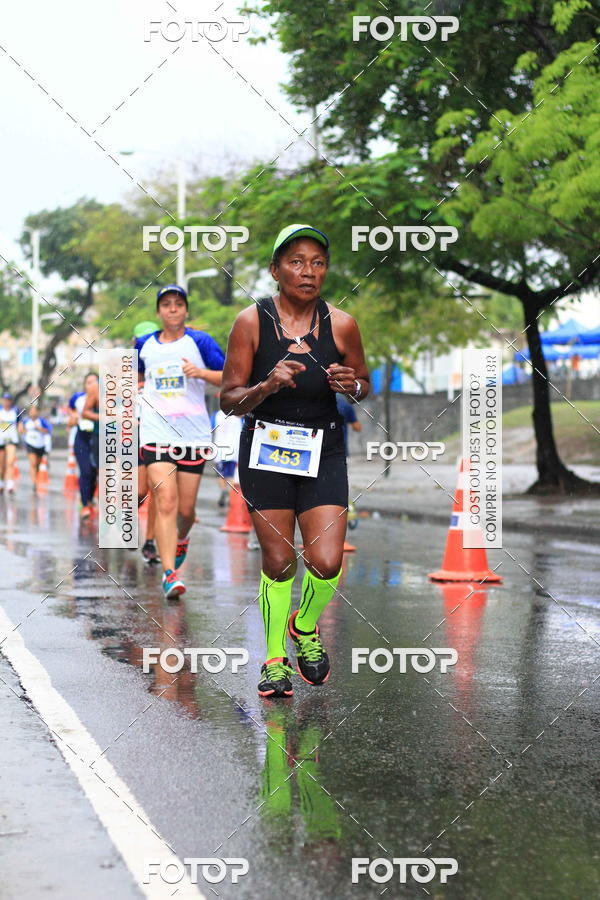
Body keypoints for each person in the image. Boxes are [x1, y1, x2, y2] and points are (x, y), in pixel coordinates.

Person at [220, 224, 370, 698]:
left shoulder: (342, 324)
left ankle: (304, 625)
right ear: (275, 269)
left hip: (323, 448)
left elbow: (364, 383)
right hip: (266, 448)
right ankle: (273, 660)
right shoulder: (251, 322)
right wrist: (265, 386)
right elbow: (228, 399)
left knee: (326, 561)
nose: (309, 271)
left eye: (318, 262)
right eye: (297, 261)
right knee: (280, 560)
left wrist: (353, 385)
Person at [134, 285, 225, 598]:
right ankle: (169, 572)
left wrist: (200, 373)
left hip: (193, 435)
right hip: (156, 434)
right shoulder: (144, 345)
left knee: (186, 510)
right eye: (166, 305)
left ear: (186, 310)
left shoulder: (200, 342)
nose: (172, 309)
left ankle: (182, 537)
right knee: (166, 501)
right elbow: (131, 377)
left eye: (178, 304)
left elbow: (229, 376)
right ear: (159, 312)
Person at [132, 321, 161, 563]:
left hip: (157, 435)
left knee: (155, 490)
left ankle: (150, 542)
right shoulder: (124, 373)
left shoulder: (162, 367)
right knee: (141, 490)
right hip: (133, 436)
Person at [68, 373, 99, 518]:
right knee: (86, 471)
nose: (91, 385)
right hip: (82, 438)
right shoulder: (78, 398)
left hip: (98, 437)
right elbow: (71, 412)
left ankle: (90, 497)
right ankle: (85, 504)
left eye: (94, 382)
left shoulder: (105, 396)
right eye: (88, 382)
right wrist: (73, 417)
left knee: (94, 472)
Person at [212, 399, 242, 507]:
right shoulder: (238, 418)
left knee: (220, 474)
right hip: (233, 450)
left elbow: (211, 429)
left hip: (219, 449)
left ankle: (223, 489)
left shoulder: (216, 415)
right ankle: (230, 494)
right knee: (231, 474)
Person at [19, 404, 51, 490]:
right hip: (30, 444)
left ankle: (36, 478)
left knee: (37, 464)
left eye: (35, 411)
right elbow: (21, 430)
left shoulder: (42, 421)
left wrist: (39, 428)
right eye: (31, 411)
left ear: (38, 412)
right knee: (32, 463)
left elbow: (47, 431)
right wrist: (22, 429)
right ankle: (34, 482)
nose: (33, 413)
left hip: (40, 445)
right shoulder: (26, 421)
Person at [0, 394, 20, 494]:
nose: (7, 402)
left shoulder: (15, 411)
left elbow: (19, 424)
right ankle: (1, 482)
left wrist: (21, 429)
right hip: (1, 440)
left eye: (9, 400)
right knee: (1, 464)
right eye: (5, 400)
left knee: (10, 461)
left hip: (11, 440)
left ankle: (10, 484)